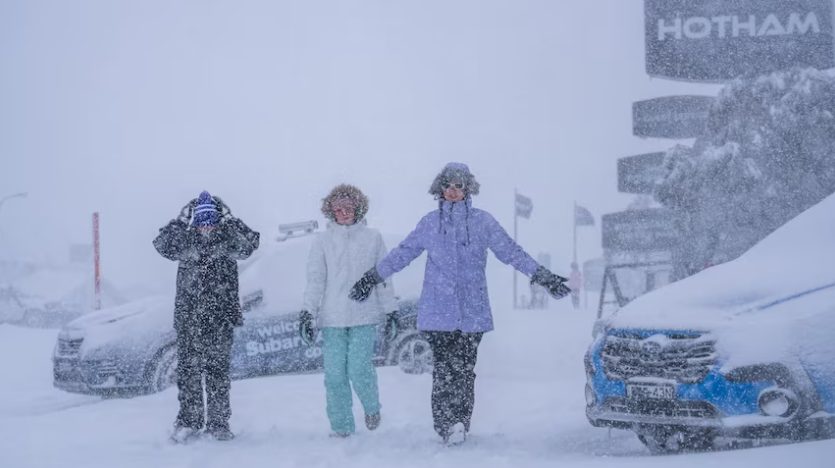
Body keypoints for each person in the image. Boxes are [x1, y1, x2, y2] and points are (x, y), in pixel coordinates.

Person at [348, 162, 570, 445]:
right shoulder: (430, 224)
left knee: (464, 370)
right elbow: (402, 254)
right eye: (448, 185)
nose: (453, 191)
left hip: (472, 312)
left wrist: (542, 275)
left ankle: (460, 423)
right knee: (443, 370)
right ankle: (445, 424)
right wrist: (371, 278)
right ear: (440, 188)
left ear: (468, 188)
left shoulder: (483, 222)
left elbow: (511, 252)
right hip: (438, 312)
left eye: (458, 185)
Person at [153, 191, 260, 443]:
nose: (206, 226)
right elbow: (161, 244)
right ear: (195, 223)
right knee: (188, 372)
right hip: (189, 319)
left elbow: (251, 243)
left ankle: (218, 423)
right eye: (201, 221)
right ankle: (189, 421)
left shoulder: (228, 239)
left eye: (211, 220)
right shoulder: (185, 241)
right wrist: (180, 219)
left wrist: (231, 219)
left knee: (217, 373)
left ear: (218, 220)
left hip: (220, 319)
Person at [298, 184, 399, 438]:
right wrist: (308, 312)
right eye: (338, 207)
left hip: (363, 317)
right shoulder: (322, 241)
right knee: (334, 375)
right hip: (332, 319)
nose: (344, 212)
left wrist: (391, 310)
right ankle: (341, 427)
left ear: (358, 207)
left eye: (349, 206)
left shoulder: (373, 238)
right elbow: (315, 280)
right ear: (330, 210)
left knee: (358, 368)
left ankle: (372, 407)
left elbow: (383, 277)